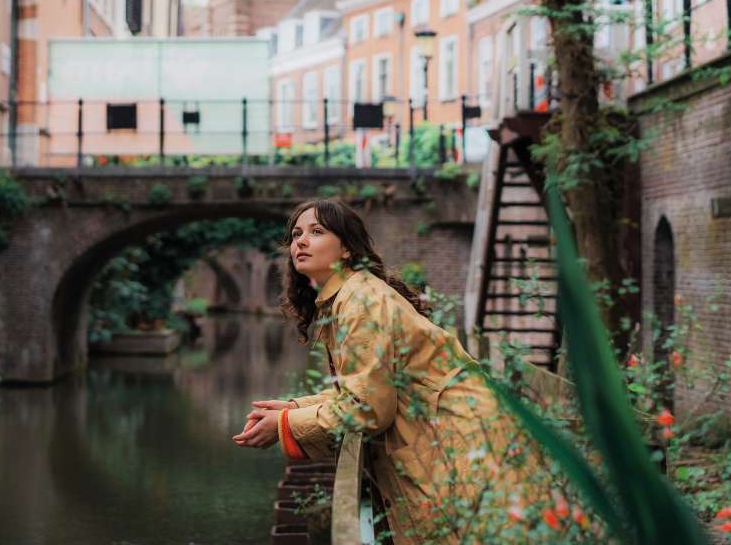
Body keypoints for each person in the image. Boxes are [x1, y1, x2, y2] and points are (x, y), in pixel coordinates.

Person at [233, 199, 544, 544]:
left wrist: (287, 426)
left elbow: (368, 408)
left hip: (457, 445)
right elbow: (368, 387)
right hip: (450, 438)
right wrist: (296, 409)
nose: (301, 242)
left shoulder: (360, 302)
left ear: (347, 249)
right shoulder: (350, 296)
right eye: (296, 234)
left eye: (317, 232)